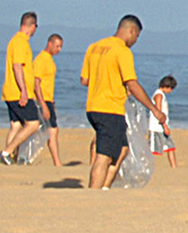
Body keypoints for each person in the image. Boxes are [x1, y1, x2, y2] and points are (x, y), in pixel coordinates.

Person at [81, 15, 165, 190]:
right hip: (109, 109)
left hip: (93, 107)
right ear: (131, 31)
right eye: (136, 37)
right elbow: (132, 83)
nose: (135, 41)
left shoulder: (95, 47)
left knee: (122, 149)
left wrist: (110, 81)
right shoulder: (122, 51)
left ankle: (104, 188)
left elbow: (85, 79)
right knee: (103, 156)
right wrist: (154, 110)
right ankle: (92, 195)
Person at [0, 12, 39, 164]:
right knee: (33, 124)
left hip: (10, 92)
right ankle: (7, 152)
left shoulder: (15, 41)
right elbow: (17, 67)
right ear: (32, 26)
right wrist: (24, 91)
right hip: (18, 92)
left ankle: (10, 157)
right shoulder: (21, 42)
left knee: (15, 125)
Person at [31, 34, 65, 166]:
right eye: (57, 46)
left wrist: (51, 102)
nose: (59, 49)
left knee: (51, 130)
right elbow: (36, 83)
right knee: (52, 130)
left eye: (61, 47)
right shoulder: (41, 60)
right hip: (42, 100)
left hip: (48, 100)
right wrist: (43, 105)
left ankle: (56, 161)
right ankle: (57, 162)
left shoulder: (49, 60)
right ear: (49, 44)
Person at [149, 75, 178, 168]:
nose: (171, 91)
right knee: (153, 149)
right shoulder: (159, 95)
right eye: (171, 88)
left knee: (170, 147)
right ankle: (148, 166)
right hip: (157, 128)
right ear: (167, 86)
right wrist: (165, 126)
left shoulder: (162, 95)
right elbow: (159, 112)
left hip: (162, 127)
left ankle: (174, 167)